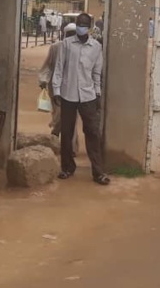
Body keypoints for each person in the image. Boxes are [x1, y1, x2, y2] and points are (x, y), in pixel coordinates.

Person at [51, 12, 109, 185]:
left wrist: (97, 93)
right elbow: (59, 68)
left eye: (84, 24)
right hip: (68, 94)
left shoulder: (96, 47)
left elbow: (97, 72)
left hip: (88, 95)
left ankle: (98, 172)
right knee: (67, 133)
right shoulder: (66, 45)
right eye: (79, 24)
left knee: (92, 132)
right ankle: (67, 167)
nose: (81, 27)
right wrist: (56, 90)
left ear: (90, 27)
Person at [39, 23, 80, 156]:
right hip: (56, 87)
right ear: (64, 34)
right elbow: (47, 66)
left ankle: (71, 148)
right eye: (69, 34)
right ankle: (55, 138)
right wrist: (43, 80)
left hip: (74, 88)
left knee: (72, 117)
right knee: (59, 115)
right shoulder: (56, 47)